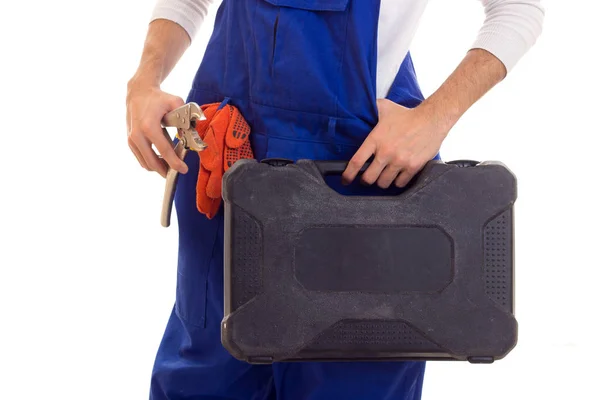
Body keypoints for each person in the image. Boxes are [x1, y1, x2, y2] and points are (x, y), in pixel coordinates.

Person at [126, 0, 544, 398]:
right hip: (228, 184)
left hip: (361, 197)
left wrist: (434, 119)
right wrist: (145, 81)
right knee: (203, 380)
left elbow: (519, 9)